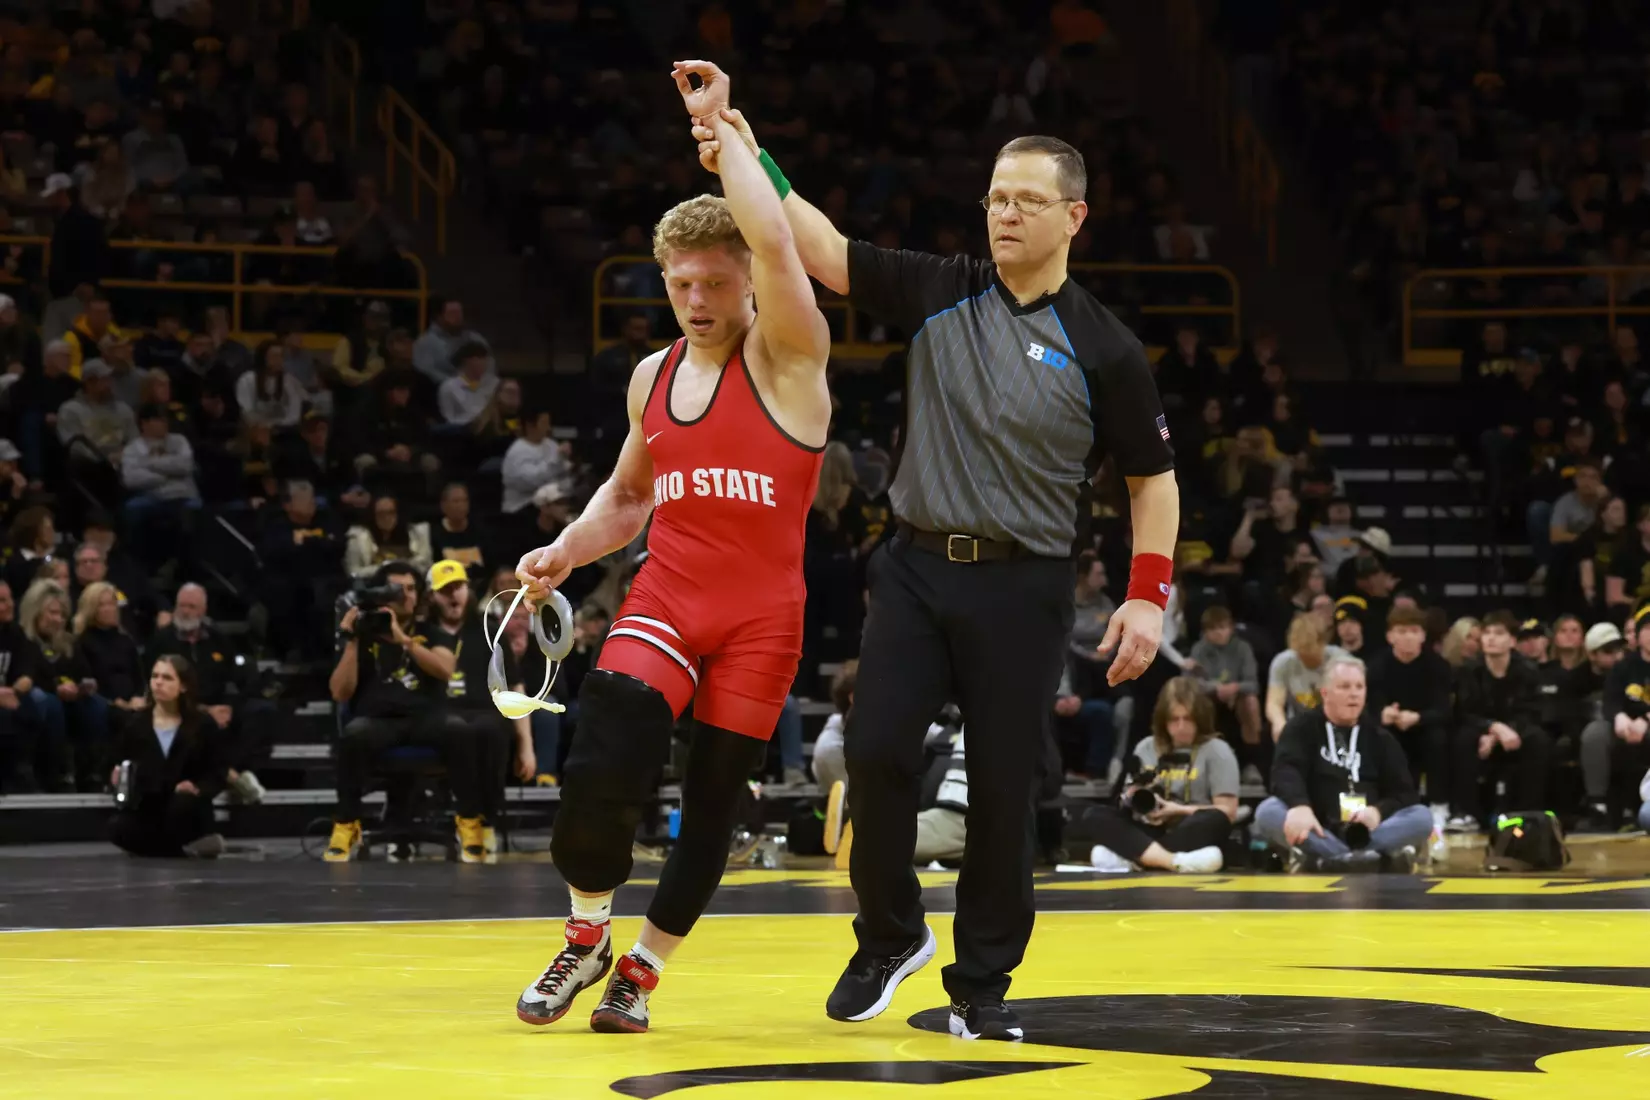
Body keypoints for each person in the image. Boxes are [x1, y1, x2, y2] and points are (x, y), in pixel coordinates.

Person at [690, 64, 1176, 1042]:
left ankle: (983, 985)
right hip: (913, 564)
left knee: (1003, 787)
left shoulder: (1106, 347)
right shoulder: (942, 288)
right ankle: (889, 933)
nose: (1004, 214)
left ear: (1074, 217)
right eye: (995, 197)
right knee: (872, 753)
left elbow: (1151, 479)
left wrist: (1146, 595)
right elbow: (820, 248)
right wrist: (739, 142)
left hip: (1025, 582)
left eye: (1027, 201)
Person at [512, 62, 833, 1036]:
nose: (697, 297)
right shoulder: (651, 375)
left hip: (763, 621)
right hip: (670, 594)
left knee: (712, 801)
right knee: (602, 750)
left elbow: (780, 241)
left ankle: (640, 973)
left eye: (716, 282)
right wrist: (565, 549)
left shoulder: (792, 361)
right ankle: (586, 936)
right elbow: (628, 496)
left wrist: (722, 127)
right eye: (681, 282)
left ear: (749, 287)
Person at [323, 561, 483, 862]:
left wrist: (404, 641)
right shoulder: (363, 633)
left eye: (411, 589)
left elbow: (446, 669)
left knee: (461, 730)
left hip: (425, 719)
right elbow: (339, 692)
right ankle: (346, 824)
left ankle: (470, 822)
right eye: (397, 589)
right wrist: (351, 643)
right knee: (354, 735)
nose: (404, 595)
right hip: (378, 721)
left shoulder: (431, 632)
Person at [1255, 655, 1433, 872]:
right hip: (1319, 825)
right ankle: (1365, 859)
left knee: (1422, 816)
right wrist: (1299, 806)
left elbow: (1404, 793)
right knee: (1268, 811)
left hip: (1367, 830)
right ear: (1325, 692)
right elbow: (1285, 772)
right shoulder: (1301, 728)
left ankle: (1331, 859)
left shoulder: (1380, 737)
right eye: (1344, 686)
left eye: (1359, 686)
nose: (1354, 693)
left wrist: (1378, 812)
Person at [423, 559, 534, 862]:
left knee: (491, 729)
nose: (452, 595)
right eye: (444, 590)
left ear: (468, 591)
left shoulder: (489, 629)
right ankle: (468, 817)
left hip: (484, 714)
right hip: (440, 716)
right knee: (458, 729)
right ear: (431, 596)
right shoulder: (424, 632)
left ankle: (487, 818)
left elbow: (515, 686)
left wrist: (526, 746)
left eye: (457, 587)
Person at [1083, 676, 1237, 873]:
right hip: (1149, 829)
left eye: (1188, 719)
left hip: (1189, 829)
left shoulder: (1218, 750)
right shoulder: (1146, 747)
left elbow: (1228, 812)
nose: (1181, 727)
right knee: (1094, 815)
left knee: (1216, 820)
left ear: (1200, 718)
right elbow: (1127, 800)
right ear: (1163, 721)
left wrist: (1177, 810)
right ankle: (1173, 862)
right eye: (1174, 719)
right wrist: (1132, 798)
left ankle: (1135, 858)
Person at [107, 655, 226, 858]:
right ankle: (176, 848)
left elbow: (217, 771)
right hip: (150, 806)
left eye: (167, 678)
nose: (159, 682)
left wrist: (197, 788)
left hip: (186, 805)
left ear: (183, 686)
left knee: (182, 805)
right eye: (155, 676)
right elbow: (116, 764)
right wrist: (116, 778)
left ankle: (171, 845)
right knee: (117, 827)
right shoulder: (136, 724)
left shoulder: (202, 724)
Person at [1449, 611, 1550, 833]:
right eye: (1487, 633)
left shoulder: (1527, 671)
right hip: (1482, 731)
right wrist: (1493, 728)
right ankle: (1467, 813)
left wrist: (1504, 731)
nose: (1491, 638)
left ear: (1512, 641)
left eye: (1498, 633)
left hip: (1515, 731)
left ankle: (1528, 813)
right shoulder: (1469, 671)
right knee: (1462, 739)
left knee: (1537, 739)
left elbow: (1531, 712)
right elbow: (1464, 712)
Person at [1364, 605, 1453, 813]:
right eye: (1402, 631)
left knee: (1437, 738)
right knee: (1379, 736)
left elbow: (1444, 709)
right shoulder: (1377, 665)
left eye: (1414, 631)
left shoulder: (1438, 665)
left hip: (1425, 726)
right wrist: (1383, 714)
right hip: (1391, 727)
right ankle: (1386, 803)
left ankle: (1439, 805)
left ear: (1423, 635)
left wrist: (1418, 717)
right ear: (1390, 636)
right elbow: (1370, 706)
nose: (1408, 637)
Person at [1578, 609, 1650, 829]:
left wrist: (1646, 719)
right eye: (1647, 629)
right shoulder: (1623, 666)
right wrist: (1619, 717)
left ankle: (1636, 806)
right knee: (1595, 733)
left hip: (1645, 723)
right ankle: (1597, 804)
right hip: (1625, 724)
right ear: (1637, 636)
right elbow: (1611, 699)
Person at [1265, 613, 1345, 740]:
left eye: (1310, 652)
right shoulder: (1283, 662)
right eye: (1301, 653)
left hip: (1335, 726)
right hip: (1299, 725)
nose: (1305, 657)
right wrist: (1279, 722)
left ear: (1323, 642)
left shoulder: (1340, 661)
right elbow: (1274, 702)